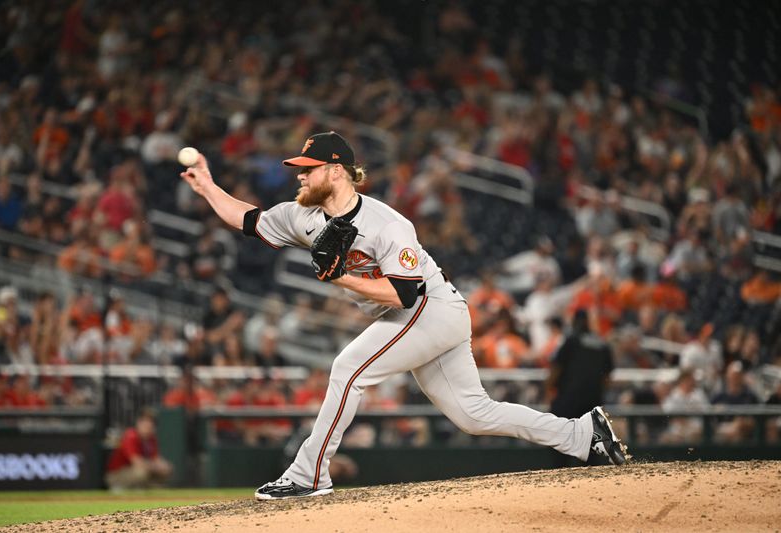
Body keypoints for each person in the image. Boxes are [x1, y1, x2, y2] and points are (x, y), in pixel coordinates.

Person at [179, 131, 629, 501]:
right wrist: (208, 187)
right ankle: (582, 433)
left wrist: (340, 278)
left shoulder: (387, 224)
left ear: (335, 171)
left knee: (348, 369)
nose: (298, 176)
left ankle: (309, 473)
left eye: (307, 169)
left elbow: (404, 294)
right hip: (421, 317)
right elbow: (250, 220)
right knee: (474, 414)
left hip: (430, 308)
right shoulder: (303, 216)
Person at [545, 310, 614, 467]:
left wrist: (548, 390)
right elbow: (607, 378)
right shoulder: (602, 344)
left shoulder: (570, 340)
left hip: (567, 401)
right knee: (590, 449)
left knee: (560, 446)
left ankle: (560, 479)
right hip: (592, 404)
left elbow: (556, 369)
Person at [105, 408, 173, 490]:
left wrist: (164, 466)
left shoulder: (151, 439)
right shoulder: (131, 436)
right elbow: (137, 462)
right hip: (116, 475)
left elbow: (156, 459)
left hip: (138, 470)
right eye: (145, 422)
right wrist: (155, 466)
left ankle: (147, 488)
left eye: (151, 423)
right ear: (139, 423)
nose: (148, 425)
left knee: (166, 469)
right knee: (141, 472)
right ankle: (120, 487)